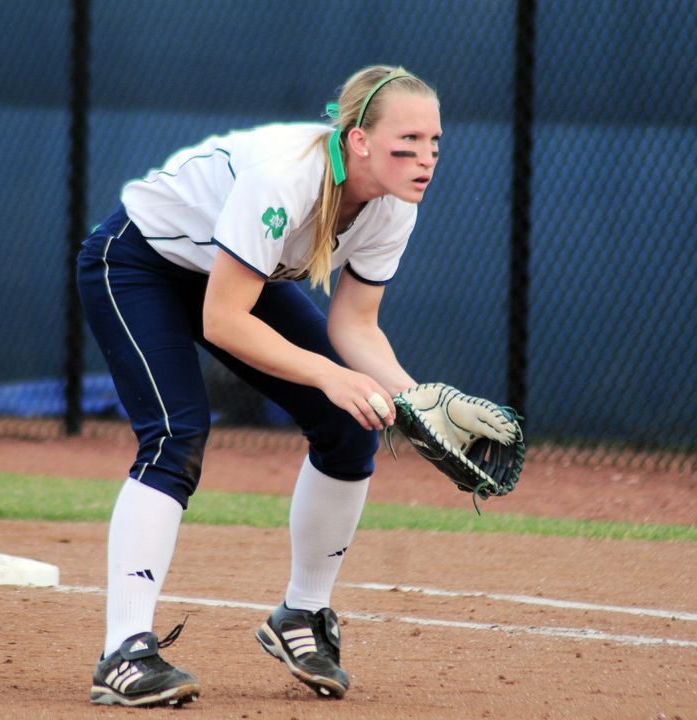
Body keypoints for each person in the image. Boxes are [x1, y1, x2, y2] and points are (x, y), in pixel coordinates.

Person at [77, 64, 441, 707]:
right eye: (406, 142)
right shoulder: (286, 177)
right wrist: (332, 375)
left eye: (434, 142)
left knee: (348, 423)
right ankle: (123, 651)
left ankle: (302, 614)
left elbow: (356, 326)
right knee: (176, 432)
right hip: (139, 264)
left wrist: (420, 402)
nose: (424, 158)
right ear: (358, 140)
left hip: (237, 281)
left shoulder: (392, 204)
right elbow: (223, 320)